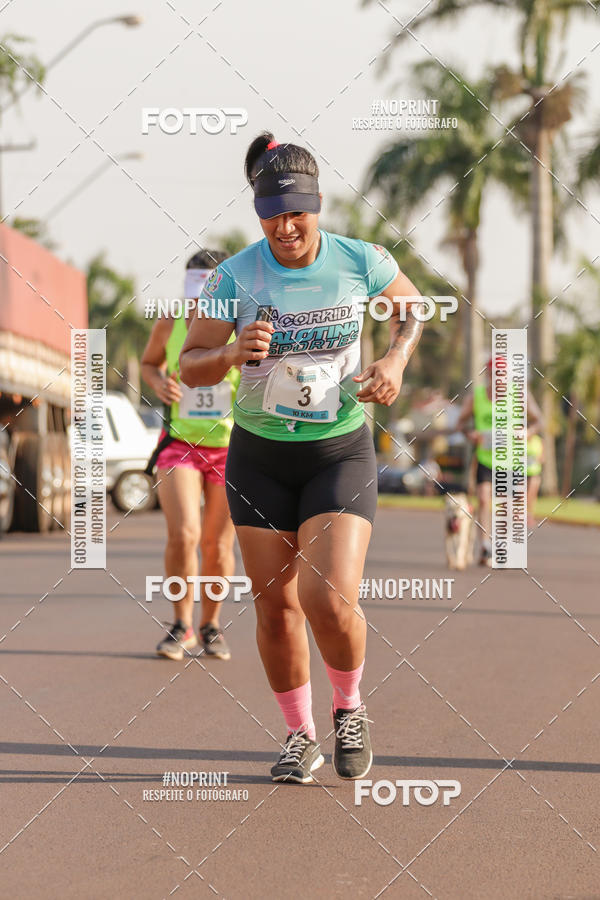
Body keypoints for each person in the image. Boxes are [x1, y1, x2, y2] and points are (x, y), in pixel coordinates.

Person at [179, 132, 423, 784]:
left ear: (317, 206)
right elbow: (189, 363)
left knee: (325, 596)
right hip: (259, 458)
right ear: (257, 210)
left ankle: (349, 707)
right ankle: (299, 734)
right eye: (271, 213)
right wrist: (231, 354)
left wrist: (396, 358)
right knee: (275, 607)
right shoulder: (235, 277)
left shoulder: (359, 260)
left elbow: (413, 309)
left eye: (297, 213)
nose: (285, 227)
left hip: (337, 451)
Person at [141, 250, 239, 661]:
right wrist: (160, 382)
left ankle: (211, 625)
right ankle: (181, 625)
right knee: (185, 535)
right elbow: (150, 363)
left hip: (231, 448)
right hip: (179, 443)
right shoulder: (171, 320)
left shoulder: (242, 322)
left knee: (218, 544)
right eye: (195, 286)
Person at [456, 359, 542, 565]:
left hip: (512, 460)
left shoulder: (520, 394)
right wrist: (471, 434)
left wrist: (527, 432)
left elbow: (539, 420)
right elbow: (460, 423)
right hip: (486, 458)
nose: (499, 380)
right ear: (488, 375)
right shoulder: (475, 397)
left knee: (509, 506)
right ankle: (485, 547)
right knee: (484, 499)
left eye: (503, 376)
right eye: (495, 375)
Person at [526, 432, 544, 528]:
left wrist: (537, 459)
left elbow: (542, 458)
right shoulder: (519, 439)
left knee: (531, 495)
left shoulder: (538, 441)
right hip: (522, 473)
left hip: (534, 472)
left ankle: (529, 516)